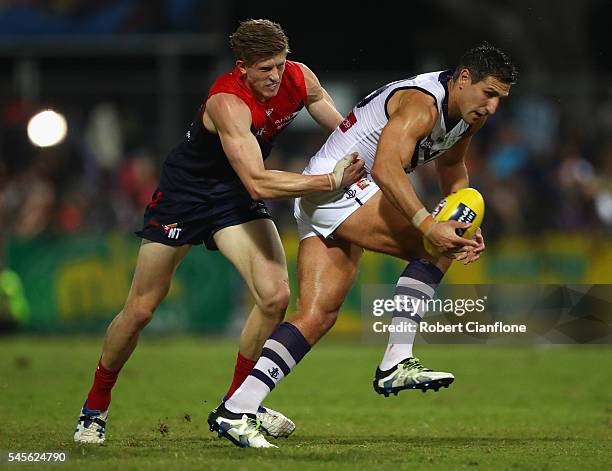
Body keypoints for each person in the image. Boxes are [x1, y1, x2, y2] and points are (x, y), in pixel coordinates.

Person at [208, 43, 518, 448]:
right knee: (432, 246)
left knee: (317, 315)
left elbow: (450, 167)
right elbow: (385, 168)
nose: (492, 106)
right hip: (341, 187)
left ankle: (237, 409)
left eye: (500, 99)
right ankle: (396, 360)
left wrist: (463, 225)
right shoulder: (423, 103)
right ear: (463, 79)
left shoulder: (468, 115)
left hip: (332, 190)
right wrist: (431, 225)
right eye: (489, 93)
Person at [73, 19, 365, 444]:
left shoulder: (299, 79)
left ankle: (238, 406)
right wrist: (328, 182)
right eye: (265, 69)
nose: (275, 77)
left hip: (232, 199)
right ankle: (94, 409)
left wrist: (376, 158)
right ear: (241, 67)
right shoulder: (227, 101)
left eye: (280, 65)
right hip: (185, 198)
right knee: (140, 310)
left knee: (275, 296)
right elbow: (259, 182)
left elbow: (345, 135)